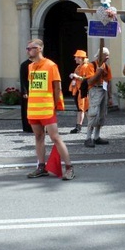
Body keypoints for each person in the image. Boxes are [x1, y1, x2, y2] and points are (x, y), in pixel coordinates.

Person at [24, 39, 75, 180]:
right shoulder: (30, 67)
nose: (28, 50)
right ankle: (41, 167)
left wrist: (56, 104)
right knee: (38, 137)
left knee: (55, 137)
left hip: (47, 108)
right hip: (33, 108)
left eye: (30, 48)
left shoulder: (51, 65)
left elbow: (57, 87)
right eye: (27, 48)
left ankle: (69, 168)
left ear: (39, 49)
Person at [85, 46, 112, 147]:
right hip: (95, 89)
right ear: (101, 55)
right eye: (106, 55)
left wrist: (110, 97)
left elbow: (109, 81)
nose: (108, 57)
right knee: (93, 113)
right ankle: (88, 138)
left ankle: (96, 137)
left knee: (102, 114)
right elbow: (90, 81)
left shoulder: (107, 67)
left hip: (103, 90)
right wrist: (98, 72)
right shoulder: (91, 65)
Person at [68, 49, 91, 134]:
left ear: (80, 58)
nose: (75, 59)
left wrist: (76, 76)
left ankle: (90, 126)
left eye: (76, 57)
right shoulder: (78, 67)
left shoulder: (85, 67)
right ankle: (79, 126)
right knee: (80, 109)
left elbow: (86, 78)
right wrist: (74, 77)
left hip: (83, 90)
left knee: (86, 108)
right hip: (78, 90)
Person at [19, 56, 33, 133]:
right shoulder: (24, 65)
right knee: (26, 110)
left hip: (35, 90)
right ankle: (27, 127)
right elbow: (23, 79)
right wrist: (24, 91)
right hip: (27, 89)